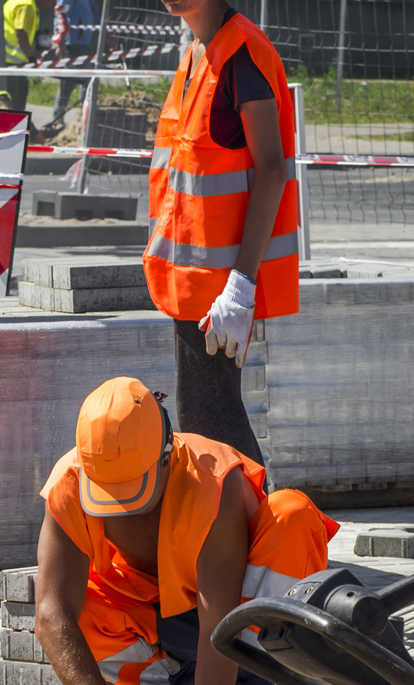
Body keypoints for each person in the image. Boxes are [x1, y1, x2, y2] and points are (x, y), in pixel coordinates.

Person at [34, 377, 338, 685]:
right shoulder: (68, 484)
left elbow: (221, 616)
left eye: (131, 489)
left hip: (241, 626)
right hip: (166, 632)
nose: (121, 506)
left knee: (292, 514)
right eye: (109, 492)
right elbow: (51, 616)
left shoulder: (212, 480)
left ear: (166, 455)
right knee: (78, 608)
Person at [144, 0, 299, 466]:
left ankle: (260, 534)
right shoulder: (196, 52)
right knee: (203, 423)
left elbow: (272, 170)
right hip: (191, 285)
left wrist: (241, 286)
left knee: (212, 428)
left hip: (219, 291)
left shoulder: (241, 53)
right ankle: (247, 532)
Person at [0, 0, 50, 112]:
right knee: (11, 100)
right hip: (8, 58)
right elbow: (20, 34)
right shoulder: (25, 6)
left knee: (20, 92)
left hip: (9, 58)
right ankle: (12, 125)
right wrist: (31, 58)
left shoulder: (21, 2)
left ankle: (19, 123)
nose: (49, 4)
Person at [49, 0, 98, 127]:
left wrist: (107, 36)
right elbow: (60, 12)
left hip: (85, 42)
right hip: (72, 42)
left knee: (85, 80)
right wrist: (60, 41)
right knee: (70, 82)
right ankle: (58, 119)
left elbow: (96, 15)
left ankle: (83, 116)